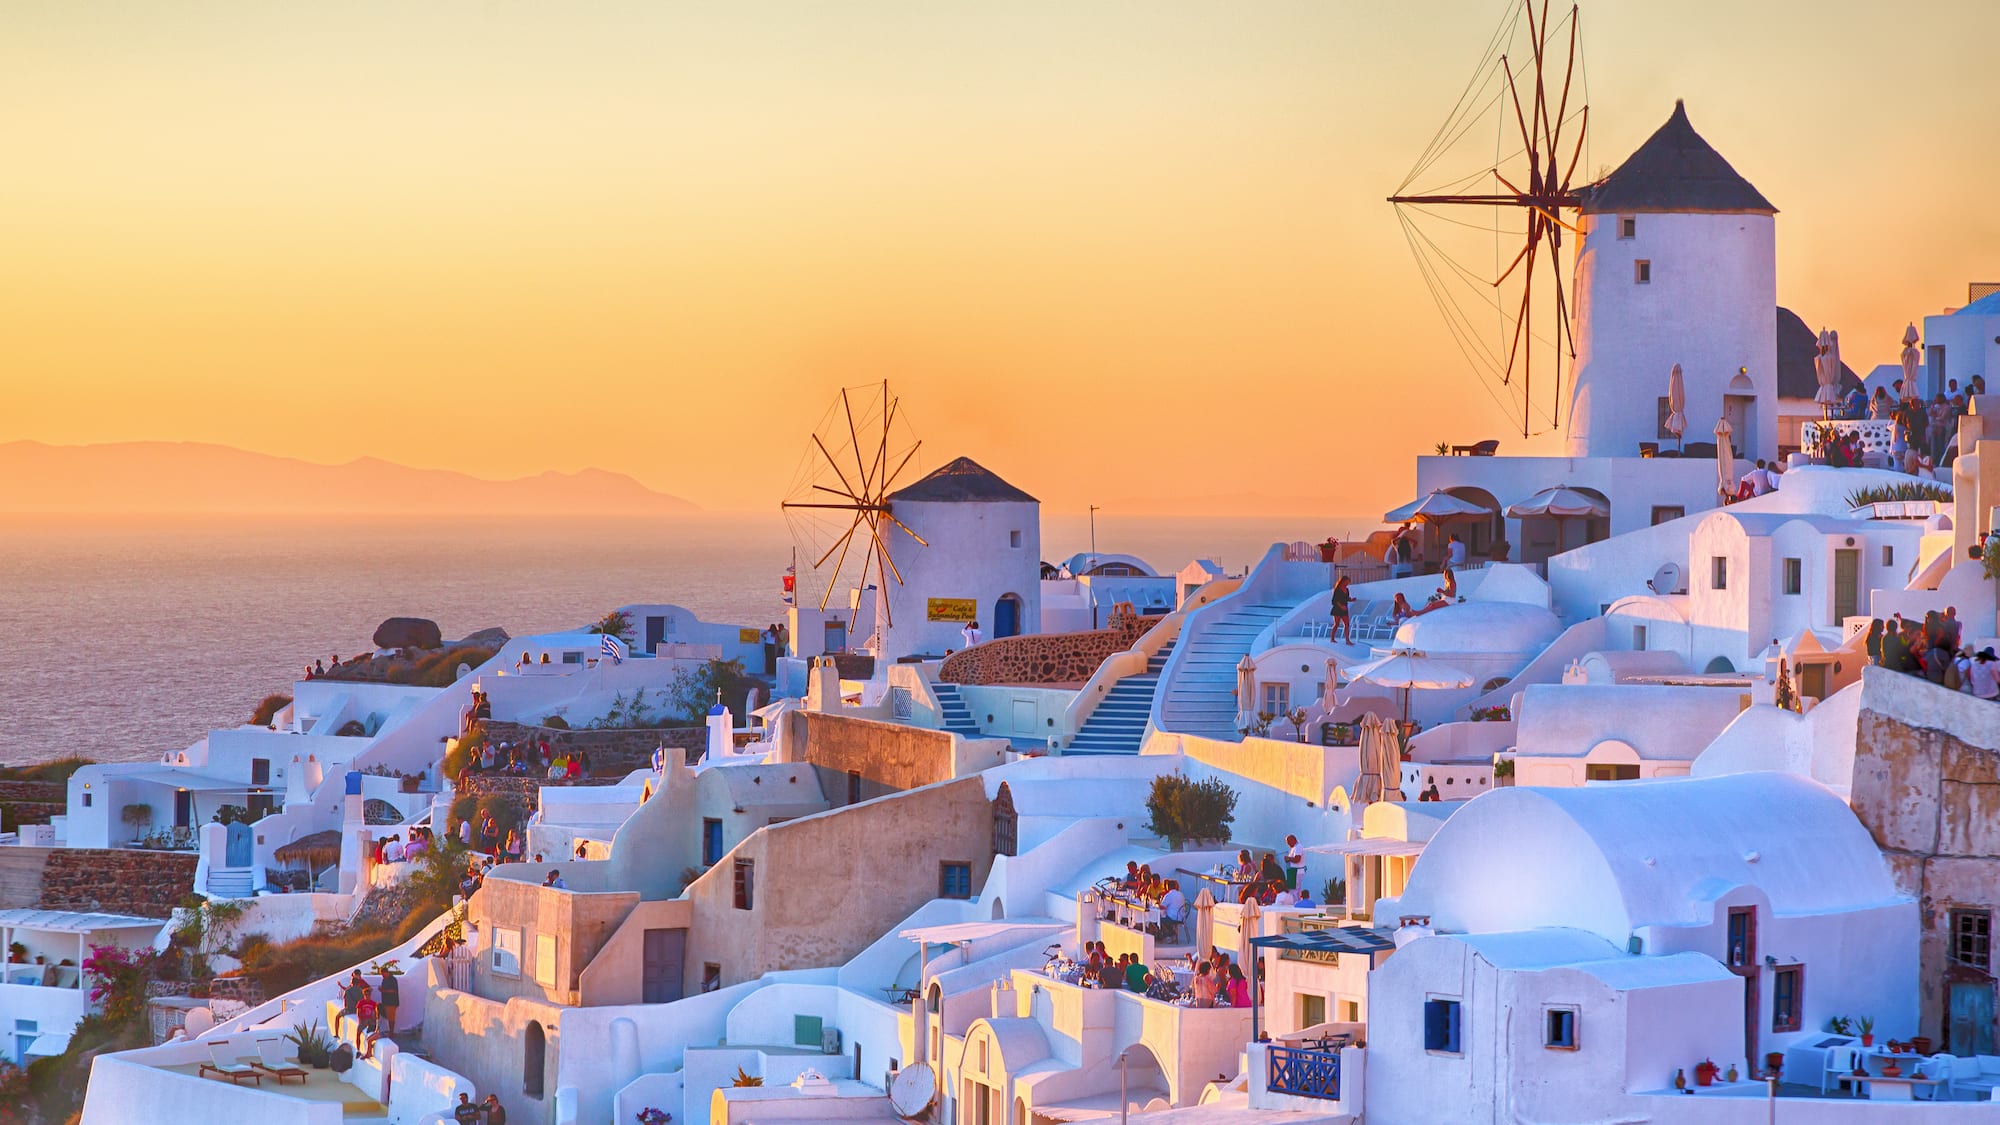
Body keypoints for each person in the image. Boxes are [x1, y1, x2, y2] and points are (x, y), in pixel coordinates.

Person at [337, 970, 368, 1040]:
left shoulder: (349, 990)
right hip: (358, 1009)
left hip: (350, 1009)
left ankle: (336, 1034)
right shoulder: (361, 990)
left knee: (337, 1017)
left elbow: (345, 998)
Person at [1329, 575, 1354, 644]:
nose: (1348, 583)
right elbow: (1334, 601)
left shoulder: (1347, 589)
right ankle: (1332, 638)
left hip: (1344, 609)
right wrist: (1341, 606)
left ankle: (1347, 640)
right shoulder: (1337, 589)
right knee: (1336, 624)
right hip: (1337, 608)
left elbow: (1346, 598)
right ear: (1343, 581)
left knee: (1347, 624)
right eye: (1347, 582)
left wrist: (1351, 600)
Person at [354, 990, 378, 1054]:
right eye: (366, 995)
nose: (367, 996)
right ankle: (358, 1049)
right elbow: (358, 1013)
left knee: (372, 1033)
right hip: (363, 1020)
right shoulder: (361, 1003)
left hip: (371, 1020)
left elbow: (375, 1014)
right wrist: (361, 1021)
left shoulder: (373, 1003)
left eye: (368, 995)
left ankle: (370, 1048)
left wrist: (374, 1020)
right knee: (358, 1032)